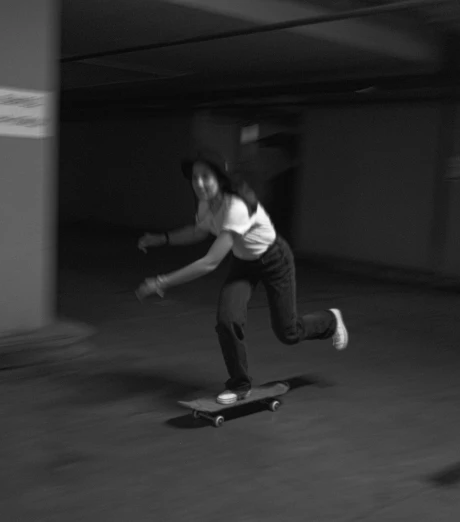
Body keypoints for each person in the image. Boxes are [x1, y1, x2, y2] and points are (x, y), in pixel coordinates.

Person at [136, 149, 348, 405]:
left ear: (220, 178)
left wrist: (161, 282)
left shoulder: (235, 206)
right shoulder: (206, 203)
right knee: (227, 320)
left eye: (206, 177)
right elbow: (199, 231)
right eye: (195, 178)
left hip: (274, 260)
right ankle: (239, 385)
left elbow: (210, 262)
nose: (200, 184)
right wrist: (163, 238)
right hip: (244, 263)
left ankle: (330, 320)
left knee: (288, 333)